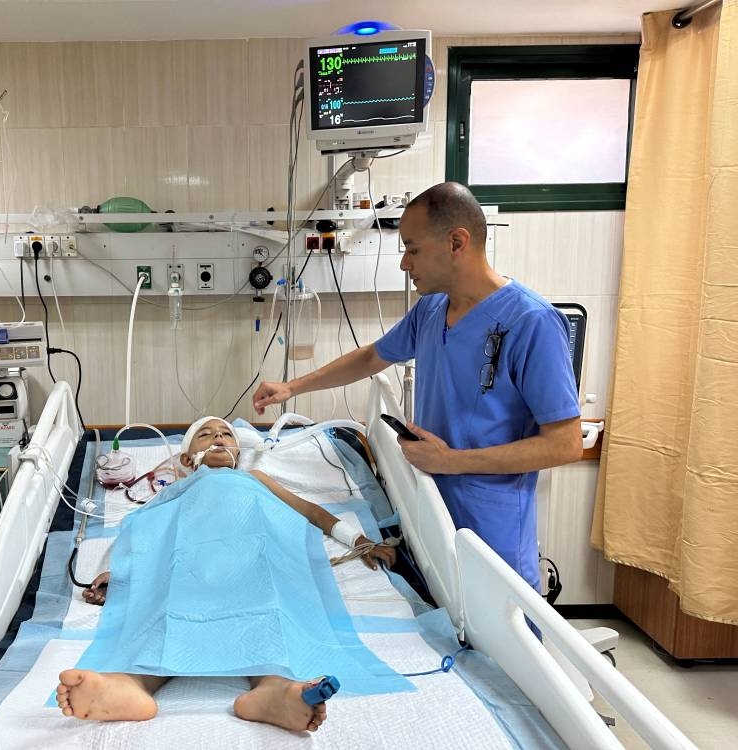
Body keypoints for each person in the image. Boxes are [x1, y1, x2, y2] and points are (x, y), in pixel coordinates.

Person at [252, 182, 582, 593]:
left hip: (491, 530)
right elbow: (372, 357)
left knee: (498, 626)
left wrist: (452, 461)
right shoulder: (431, 309)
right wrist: (292, 387)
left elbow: (566, 444)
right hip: (431, 512)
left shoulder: (532, 323)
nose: (405, 264)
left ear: (456, 242)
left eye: (412, 249)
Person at [56, 417, 398, 732]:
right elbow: (147, 532)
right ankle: (130, 685)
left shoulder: (254, 479)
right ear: (187, 459)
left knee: (268, 615)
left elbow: (309, 512)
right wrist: (120, 575)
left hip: (251, 564)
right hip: (188, 570)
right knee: (160, 616)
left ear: (237, 451)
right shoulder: (177, 489)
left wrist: (359, 540)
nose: (218, 438)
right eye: (205, 435)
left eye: (225, 434)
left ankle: (273, 690)